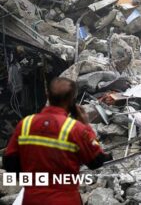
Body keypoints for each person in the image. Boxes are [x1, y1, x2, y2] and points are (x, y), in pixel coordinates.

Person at [3, 77, 112, 205]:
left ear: (47, 95)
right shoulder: (76, 129)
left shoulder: (25, 124)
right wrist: (86, 125)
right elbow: (96, 161)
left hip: (32, 199)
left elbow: (9, 162)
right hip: (65, 199)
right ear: (72, 100)